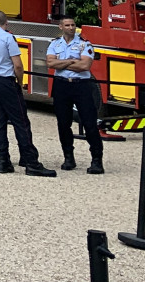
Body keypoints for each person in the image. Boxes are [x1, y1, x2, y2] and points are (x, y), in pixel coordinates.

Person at [0, 10, 56, 176]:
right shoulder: (7, 38)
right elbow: (18, 65)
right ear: (6, 23)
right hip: (6, 81)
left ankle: (3, 160)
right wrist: (19, 83)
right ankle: (31, 162)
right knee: (20, 121)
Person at [46, 16, 104, 174]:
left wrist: (62, 62)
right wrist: (72, 61)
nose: (71, 28)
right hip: (61, 85)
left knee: (90, 123)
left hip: (82, 86)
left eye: (73, 25)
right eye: (67, 25)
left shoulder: (84, 44)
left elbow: (85, 65)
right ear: (60, 27)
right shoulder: (55, 43)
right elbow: (50, 64)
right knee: (63, 124)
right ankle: (68, 158)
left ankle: (97, 160)